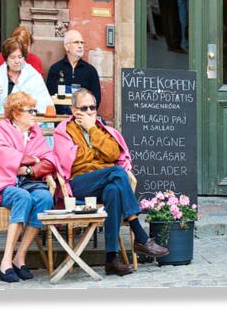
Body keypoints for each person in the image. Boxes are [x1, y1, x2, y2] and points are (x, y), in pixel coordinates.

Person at [53, 89, 169, 276]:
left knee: (114, 190)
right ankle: (139, 234)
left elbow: (113, 153)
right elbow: (74, 161)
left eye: (93, 107)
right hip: (78, 184)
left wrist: (92, 130)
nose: (90, 111)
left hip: (103, 182)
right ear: (74, 110)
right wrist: (99, 157)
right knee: (116, 171)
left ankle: (111, 259)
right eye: (85, 108)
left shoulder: (101, 129)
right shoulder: (64, 131)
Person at [0, 92, 58, 282]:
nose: (35, 114)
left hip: (28, 182)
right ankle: (6, 260)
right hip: (2, 183)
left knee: (45, 198)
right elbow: (4, 156)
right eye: (30, 110)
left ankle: (19, 257)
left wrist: (28, 170)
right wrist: (32, 161)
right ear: (16, 114)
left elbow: (49, 158)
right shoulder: (1, 129)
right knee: (22, 197)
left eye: (35, 109)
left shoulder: (35, 132)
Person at [0, 37, 51, 155]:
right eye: (12, 57)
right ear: (6, 59)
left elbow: (45, 104)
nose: (17, 61)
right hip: (2, 127)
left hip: (28, 127)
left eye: (20, 57)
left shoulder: (33, 76)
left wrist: (24, 119)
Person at [45, 29, 102, 107]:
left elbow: (96, 99)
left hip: (83, 115)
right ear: (66, 46)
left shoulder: (90, 71)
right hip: (60, 117)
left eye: (82, 42)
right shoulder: (55, 69)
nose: (80, 46)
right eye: (76, 42)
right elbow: (49, 97)